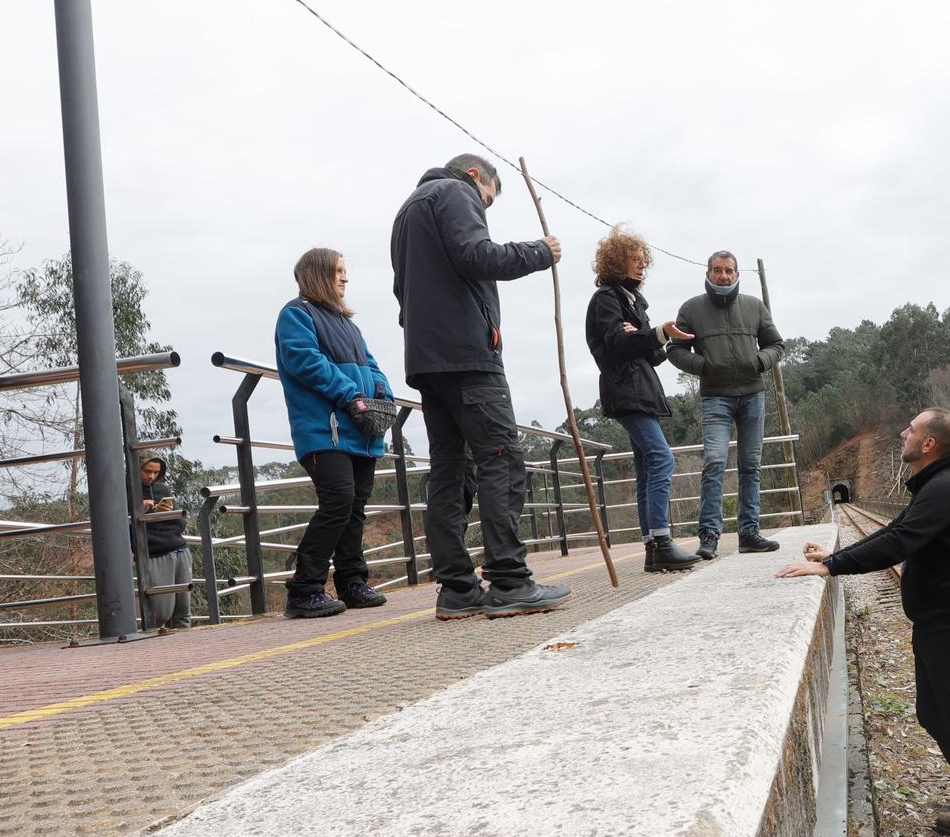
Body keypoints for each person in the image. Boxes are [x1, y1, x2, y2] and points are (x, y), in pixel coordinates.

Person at [776, 408, 950, 837]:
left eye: (911, 429)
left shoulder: (945, 489)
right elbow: (894, 532)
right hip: (937, 625)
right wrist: (836, 553)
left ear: (929, 443)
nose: (902, 433)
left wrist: (830, 566)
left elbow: (898, 543)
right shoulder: (933, 488)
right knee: (934, 715)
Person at [390, 152, 572, 620]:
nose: (484, 208)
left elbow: (401, 291)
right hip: (468, 356)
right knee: (500, 461)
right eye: (487, 200)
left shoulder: (407, 211)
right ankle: (509, 579)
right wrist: (538, 252)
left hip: (427, 360)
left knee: (451, 471)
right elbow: (476, 255)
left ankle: (456, 588)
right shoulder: (455, 192)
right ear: (476, 176)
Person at [276, 247, 394, 619]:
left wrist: (382, 392)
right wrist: (350, 395)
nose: (345, 277)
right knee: (338, 502)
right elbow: (306, 361)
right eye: (338, 271)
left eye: (345, 271)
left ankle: (352, 582)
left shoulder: (348, 324)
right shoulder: (296, 315)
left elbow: (371, 365)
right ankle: (304, 589)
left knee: (355, 508)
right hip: (324, 431)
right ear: (318, 274)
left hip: (360, 432)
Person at [584, 227, 698, 573]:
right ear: (616, 262)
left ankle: (653, 547)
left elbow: (648, 354)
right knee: (661, 460)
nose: (641, 267)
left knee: (647, 468)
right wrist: (653, 334)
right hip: (627, 391)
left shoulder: (631, 302)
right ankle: (662, 542)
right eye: (635, 260)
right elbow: (619, 346)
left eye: (643, 262)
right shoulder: (607, 299)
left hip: (639, 389)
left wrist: (659, 339)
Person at [666, 250, 785, 559]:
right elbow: (675, 350)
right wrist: (704, 366)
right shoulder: (691, 309)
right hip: (714, 397)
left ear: (736, 274)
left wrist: (759, 361)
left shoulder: (754, 306)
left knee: (750, 466)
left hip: (752, 395)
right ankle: (709, 535)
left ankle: (749, 533)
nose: (723, 276)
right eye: (718, 270)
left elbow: (777, 345)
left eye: (729, 270)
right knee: (714, 463)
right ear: (708, 272)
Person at [137, 456, 192, 630]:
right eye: (147, 471)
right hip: (154, 555)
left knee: (183, 613)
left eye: (156, 472)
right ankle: (152, 652)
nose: (151, 476)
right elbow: (116, 522)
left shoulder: (162, 490)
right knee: (159, 613)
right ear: (135, 468)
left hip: (180, 550)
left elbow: (181, 524)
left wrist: (169, 513)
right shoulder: (123, 492)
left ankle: (188, 653)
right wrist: (139, 509)